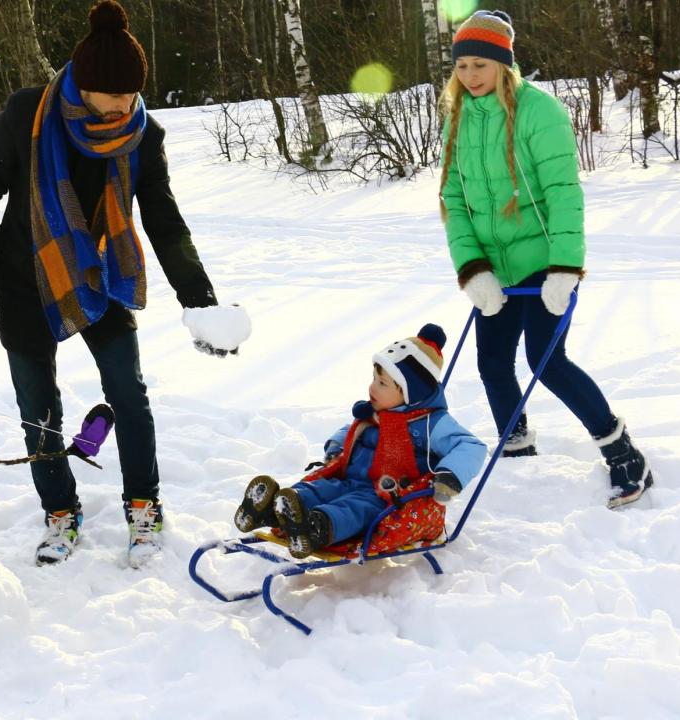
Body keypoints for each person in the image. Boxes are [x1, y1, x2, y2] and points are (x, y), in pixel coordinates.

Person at [0, 0, 245, 567]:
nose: (124, 105)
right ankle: (60, 512)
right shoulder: (26, 116)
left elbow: (163, 219)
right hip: (24, 277)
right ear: (83, 86)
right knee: (37, 407)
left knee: (129, 395)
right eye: (113, 94)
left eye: (132, 94)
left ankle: (144, 504)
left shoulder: (142, 134)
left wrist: (200, 300)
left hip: (102, 277)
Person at [437, 10, 655, 508]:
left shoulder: (540, 112)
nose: (470, 76)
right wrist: (472, 269)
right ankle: (516, 448)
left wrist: (564, 268)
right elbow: (453, 197)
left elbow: (563, 194)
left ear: (503, 65)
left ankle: (623, 454)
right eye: (462, 65)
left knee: (544, 360)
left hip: (543, 262)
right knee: (491, 361)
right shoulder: (457, 115)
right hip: (495, 268)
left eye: (480, 65)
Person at [233, 325, 486, 559]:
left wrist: (449, 475)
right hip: (350, 479)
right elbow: (353, 429)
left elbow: (471, 446)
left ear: (410, 394)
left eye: (382, 383)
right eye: (374, 379)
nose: (372, 388)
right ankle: (276, 509)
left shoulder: (431, 423)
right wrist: (337, 445)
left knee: (355, 509)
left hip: (385, 494)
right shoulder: (377, 411)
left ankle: (317, 527)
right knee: (322, 489)